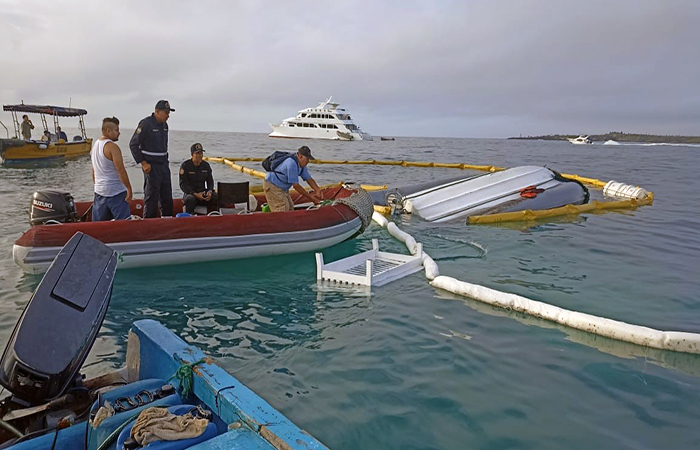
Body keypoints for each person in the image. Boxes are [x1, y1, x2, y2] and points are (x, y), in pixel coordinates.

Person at [129, 100, 175, 218]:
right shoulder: (146, 124)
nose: (168, 116)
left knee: (167, 197)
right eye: (166, 113)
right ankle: (149, 223)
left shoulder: (165, 126)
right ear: (157, 112)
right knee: (151, 198)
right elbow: (133, 144)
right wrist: (143, 163)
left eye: (169, 113)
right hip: (151, 166)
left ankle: (167, 221)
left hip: (164, 165)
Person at [91, 117, 133, 221]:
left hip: (100, 192)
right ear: (108, 131)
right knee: (124, 225)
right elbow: (121, 170)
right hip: (116, 192)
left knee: (99, 225)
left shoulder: (95, 145)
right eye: (117, 130)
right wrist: (129, 189)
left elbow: (93, 170)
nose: (119, 133)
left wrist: (97, 185)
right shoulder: (112, 147)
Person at [263, 145, 322, 212]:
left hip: (283, 188)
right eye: (307, 159)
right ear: (300, 156)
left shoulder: (302, 165)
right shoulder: (291, 164)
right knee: (282, 209)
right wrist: (312, 199)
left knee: (290, 207)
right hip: (272, 186)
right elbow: (296, 186)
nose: (308, 161)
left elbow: (309, 179)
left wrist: (317, 190)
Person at [179, 142, 217, 214]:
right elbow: (183, 185)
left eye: (201, 153)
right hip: (191, 194)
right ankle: (189, 217)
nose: (200, 156)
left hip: (202, 193)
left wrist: (209, 192)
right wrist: (195, 194)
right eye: (197, 153)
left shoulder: (206, 165)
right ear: (192, 155)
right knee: (190, 199)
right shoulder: (185, 166)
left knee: (215, 196)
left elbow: (210, 182)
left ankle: (213, 216)